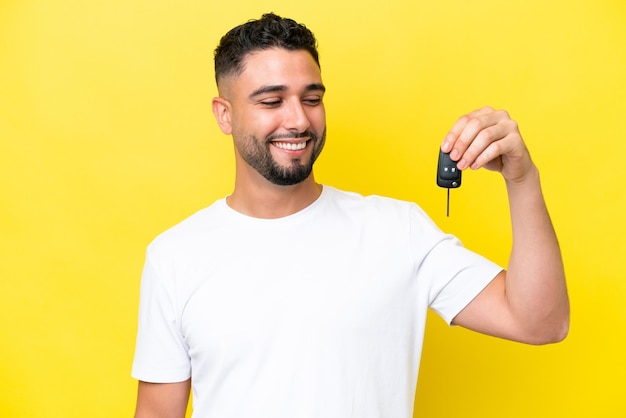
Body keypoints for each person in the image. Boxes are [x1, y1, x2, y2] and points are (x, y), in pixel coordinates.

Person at [132, 13, 569, 418]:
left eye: (312, 97)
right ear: (225, 115)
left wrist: (522, 178)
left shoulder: (398, 231)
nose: (298, 120)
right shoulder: (175, 256)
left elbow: (541, 321)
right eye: (272, 101)